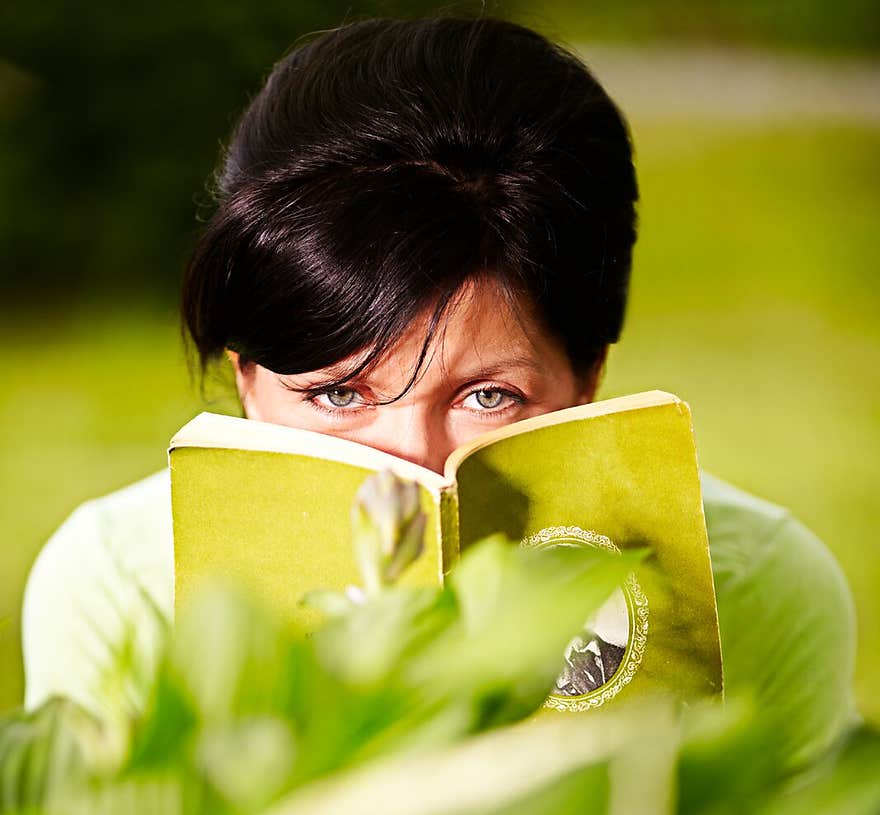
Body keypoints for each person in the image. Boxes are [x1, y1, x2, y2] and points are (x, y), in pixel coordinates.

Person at [21, 15, 856, 765]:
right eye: (339, 394)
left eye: (489, 396)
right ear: (246, 377)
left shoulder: (756, 585)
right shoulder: (116, 583)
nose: (411, 471)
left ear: (588, 378)